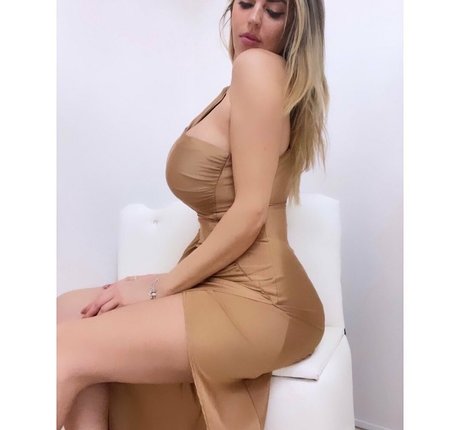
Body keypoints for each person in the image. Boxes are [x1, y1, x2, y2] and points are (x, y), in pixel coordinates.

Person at [57, 0, 329, 429]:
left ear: (295, 27)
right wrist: (150, 283)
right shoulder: (248, 83)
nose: (254, 18)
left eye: (274, 11)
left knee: (61, 347)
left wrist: (156, 289)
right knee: (70, 311)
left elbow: (250, 214)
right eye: (245, 3)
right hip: (226, 281)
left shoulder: (258, 68)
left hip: (264, 300)